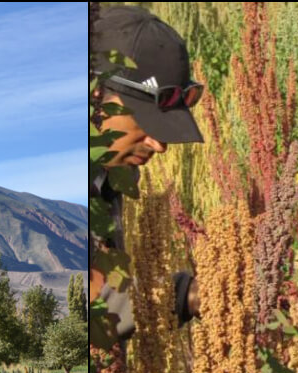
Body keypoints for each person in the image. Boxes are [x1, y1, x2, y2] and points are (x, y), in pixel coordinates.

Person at [90, 5, 204, 340]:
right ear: (97, 98)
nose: (159, 144)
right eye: (146, 122)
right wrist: (185, 295)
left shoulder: (110, 174)